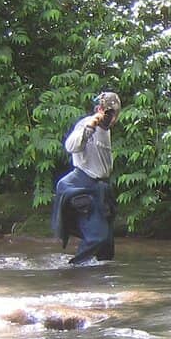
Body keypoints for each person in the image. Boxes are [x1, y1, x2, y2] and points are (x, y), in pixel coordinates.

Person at [51, 91, 122, 264]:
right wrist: (90, 127)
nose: (111, 118)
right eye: (108, 113)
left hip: (101, 187)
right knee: (97, 238)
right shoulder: (86, 124)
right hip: (81, 184)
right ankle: (75, 270)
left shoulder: (106, 130)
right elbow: (70, 146)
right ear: (99, 110)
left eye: (114, 114)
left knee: (106, 248)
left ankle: (99, 276)